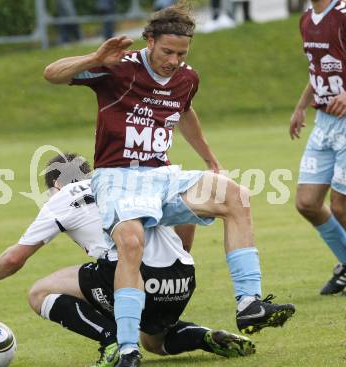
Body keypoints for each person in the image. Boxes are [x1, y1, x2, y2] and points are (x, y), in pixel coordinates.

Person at [44, 3, 295, 366]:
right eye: (167, 52)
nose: (174, 60)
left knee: (235, 196)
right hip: (117, 177)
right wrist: (95, 56)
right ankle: (128, 348)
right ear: (149, 41)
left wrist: (210, 160)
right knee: (131, 243)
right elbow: (52, 74)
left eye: (182, 53)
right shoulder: (117, 68)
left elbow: (184, 111)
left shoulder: (186, 78)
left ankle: (249, 303)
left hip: (162, 176)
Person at [0, 153, 256, 367]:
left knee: (40, 292)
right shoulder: (124, 183)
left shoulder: (63, 196)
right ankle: (204, 337)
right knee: (153, 341)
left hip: (136, 274)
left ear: (56, 185)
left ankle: (112, 341)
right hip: (182, 280)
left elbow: (17, 256)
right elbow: (187, 220)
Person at [290, 0, 346, 295]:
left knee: (340, 206)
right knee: (307, 203)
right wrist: (300, 107)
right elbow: (317, 70)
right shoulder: (307, 19)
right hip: (324, 120)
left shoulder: (342, 14)